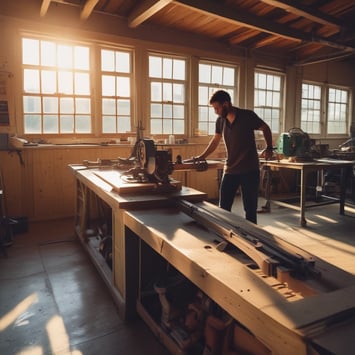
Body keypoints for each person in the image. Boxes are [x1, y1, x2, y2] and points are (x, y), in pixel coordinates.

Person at [191, 90, 273, 224]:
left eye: (217, 108)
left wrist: (269, 147)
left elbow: (265, 128)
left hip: (250, 170)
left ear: (226, 104)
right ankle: (226, 237)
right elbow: (215, 140)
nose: (216, 111)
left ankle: (251, 239)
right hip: (230, 170)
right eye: (214, 108)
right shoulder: (220, 121)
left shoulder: (247, 116)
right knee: (223, 209)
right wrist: (202, 156)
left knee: (250, 210)